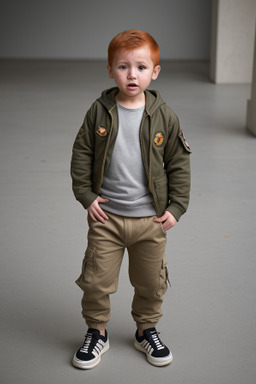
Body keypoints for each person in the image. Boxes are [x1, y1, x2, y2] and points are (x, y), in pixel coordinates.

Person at [70, 29, 191, 369]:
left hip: (151, 221)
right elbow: (81, 155)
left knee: (151, 282)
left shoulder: (164, 116)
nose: (132, 74)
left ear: (155, 72)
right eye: (123, 67)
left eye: (141, 67)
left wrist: (176, 207)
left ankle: (145, 329)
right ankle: (97, 331)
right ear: (110, 70)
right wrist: (87, 196)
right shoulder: (99, 112)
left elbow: (179, 163)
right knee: (95, 280)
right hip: (106, 219)